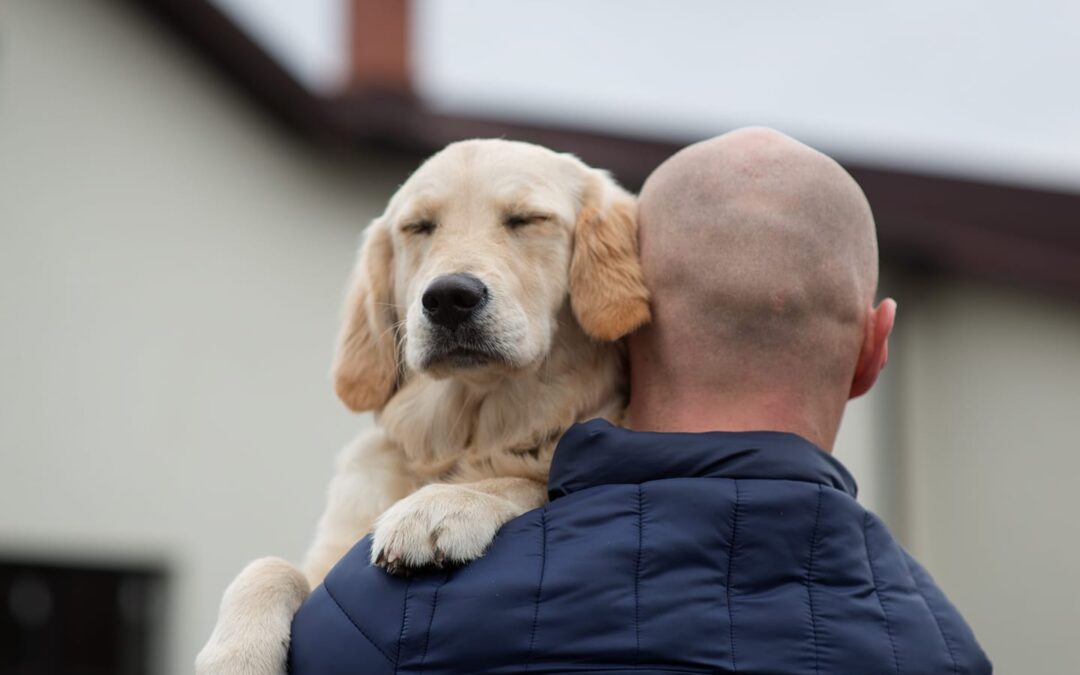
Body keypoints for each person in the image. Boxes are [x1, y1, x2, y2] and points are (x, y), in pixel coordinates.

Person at [288, 128, 991, 674]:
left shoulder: (379, 612)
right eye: (423, 228)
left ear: (633, 319)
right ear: (874, 351)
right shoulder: (945, 649)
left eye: (524, 221)